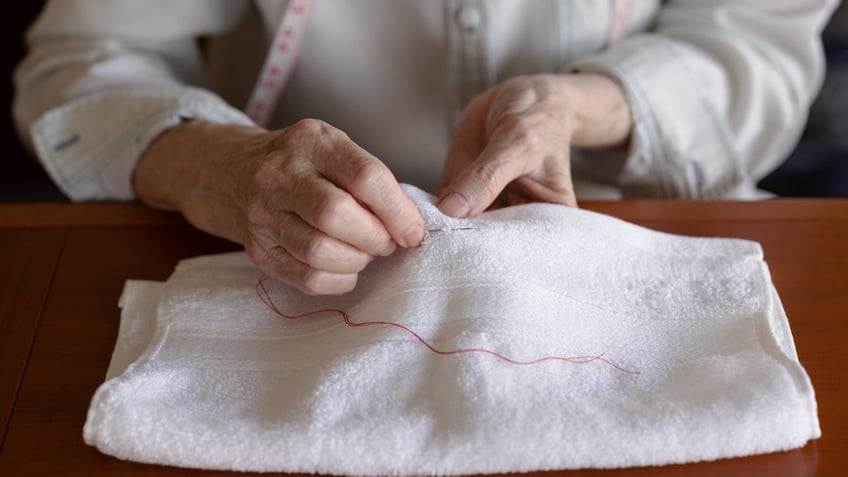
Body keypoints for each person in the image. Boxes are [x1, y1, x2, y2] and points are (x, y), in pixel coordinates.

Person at [13, 0, 837, 295]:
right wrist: (213, 164)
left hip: (629, 207)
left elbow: (756, 41)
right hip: (271, 241)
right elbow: (80, 61)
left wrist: (581, 105)